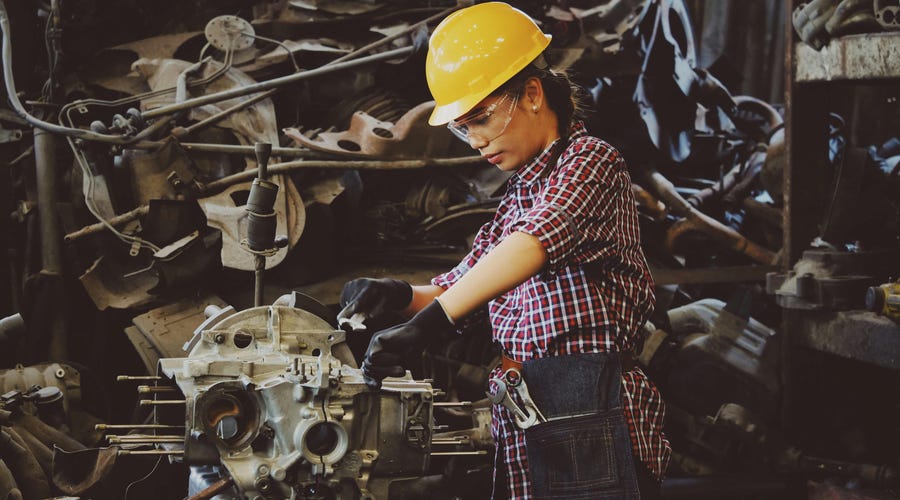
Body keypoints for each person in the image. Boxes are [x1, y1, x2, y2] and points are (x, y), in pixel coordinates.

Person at [337, 2, 670, 498]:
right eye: (463, 127)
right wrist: (397, 296)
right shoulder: (516, 197)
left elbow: (534, 243)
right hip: (531, 414)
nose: (475, 140)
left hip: (590, 414)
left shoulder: (590, 162)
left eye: (482, 118)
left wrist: (429, 325)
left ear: (532, 93)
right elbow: (460, 285)